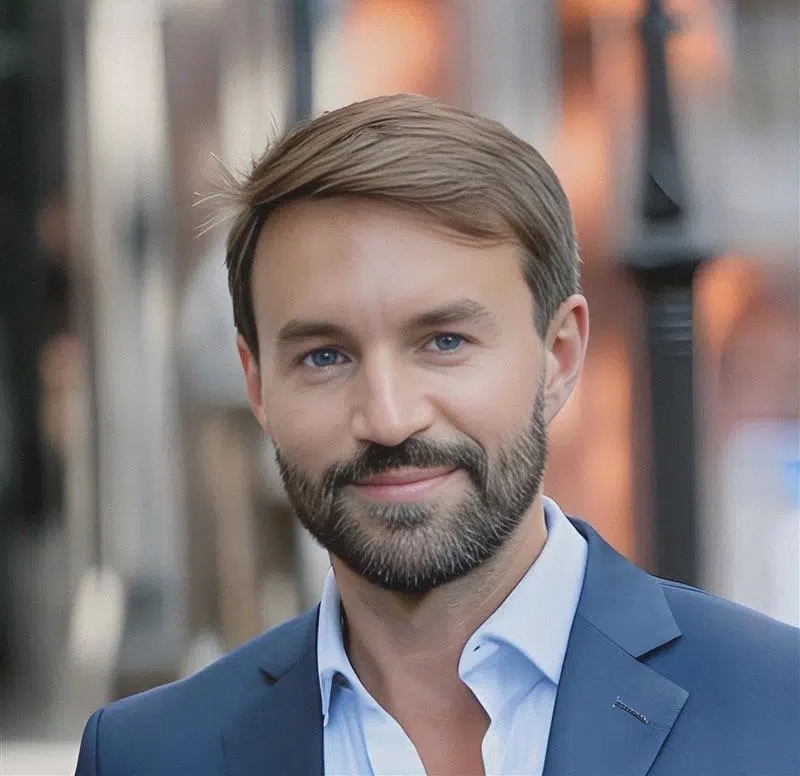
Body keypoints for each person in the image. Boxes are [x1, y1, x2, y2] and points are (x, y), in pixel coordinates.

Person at [75, 95, 799, 776]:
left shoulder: (778, 711)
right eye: (324, 356)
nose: (388, 418)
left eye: (444, 341)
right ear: (258, 384)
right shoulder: (151, 755)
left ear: (559, 356)